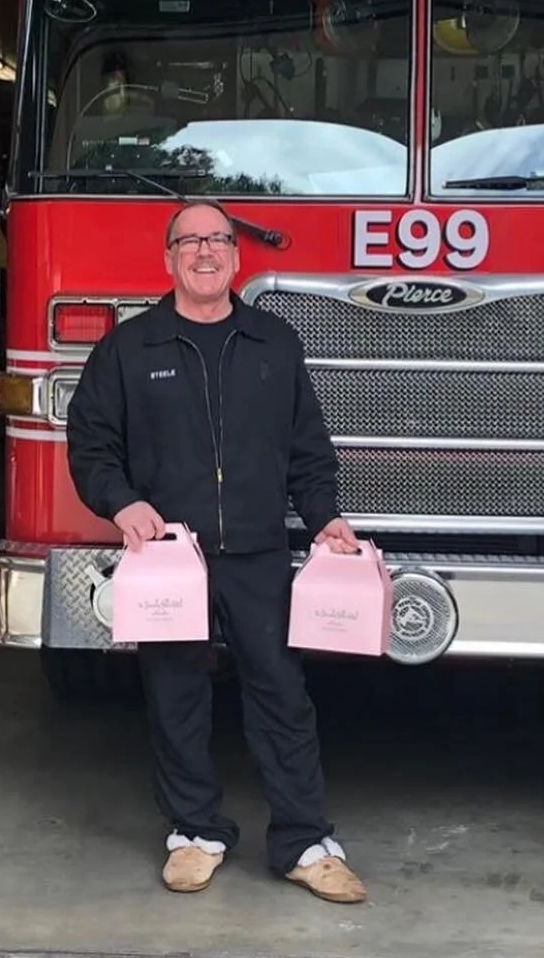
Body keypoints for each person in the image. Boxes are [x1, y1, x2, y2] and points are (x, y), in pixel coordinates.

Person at [66, 199, 367, 903]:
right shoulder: (128, 349)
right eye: (190, 241)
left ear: (238, 256)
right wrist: (123, 502)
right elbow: (91, 444)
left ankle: (303, 841)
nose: (206, 252)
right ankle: (195, 832)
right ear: (168, 258)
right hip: (169, 556)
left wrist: (323, 517)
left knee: (282, 695)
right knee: (175, 695)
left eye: (219, 240)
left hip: (259, 552)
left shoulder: (274, 343)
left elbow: (308, 450)